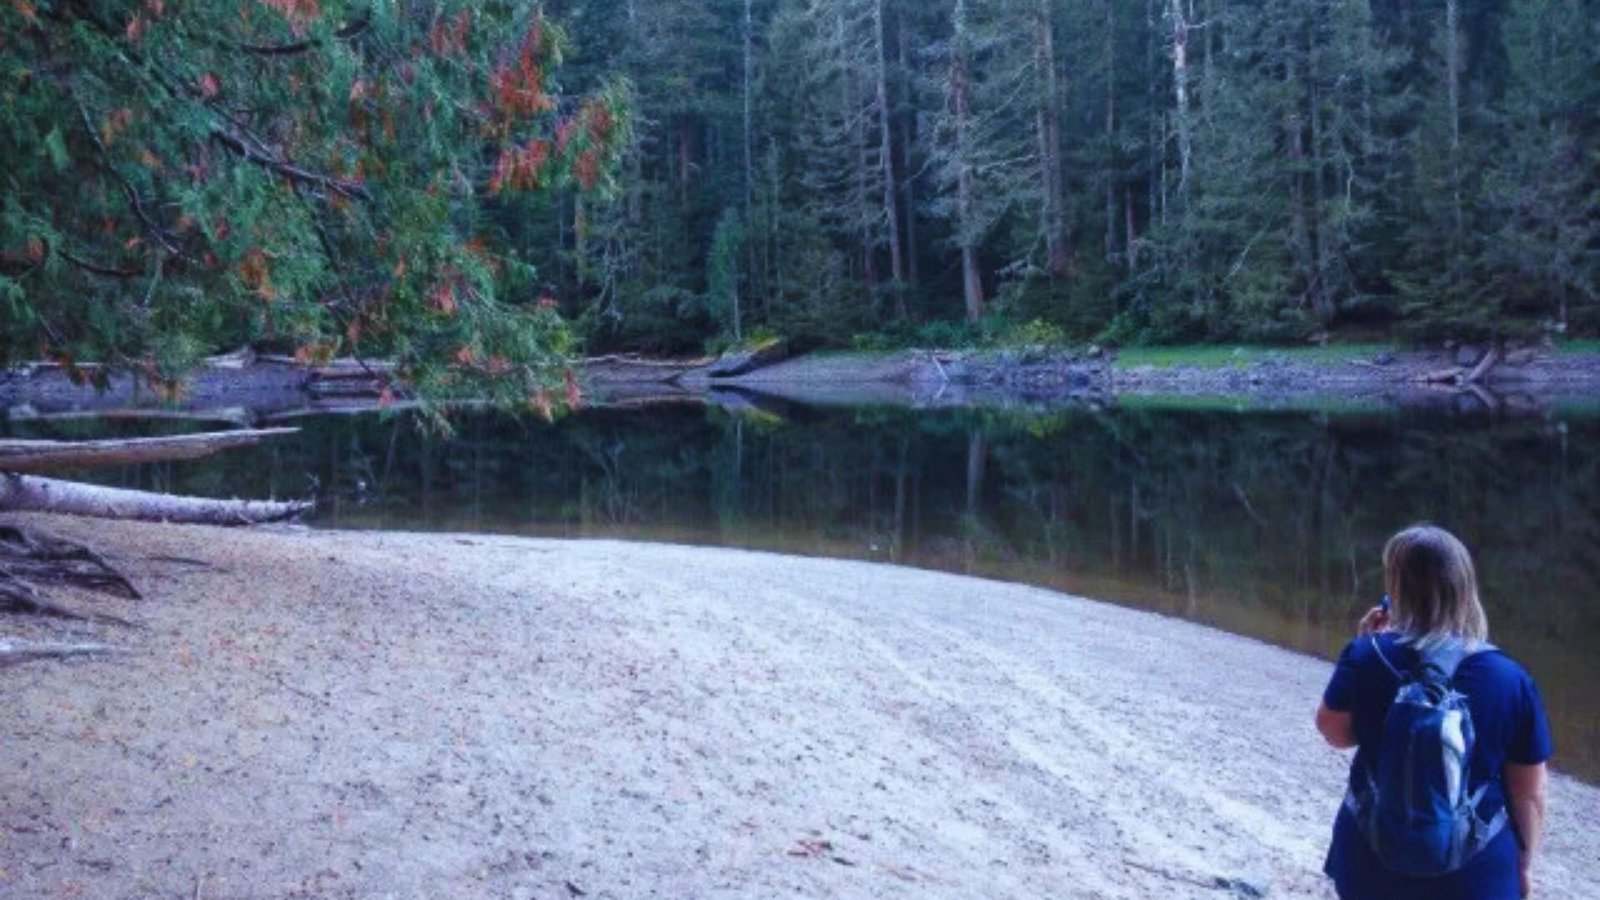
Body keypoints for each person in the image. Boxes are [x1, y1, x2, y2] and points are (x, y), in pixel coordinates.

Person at [1315, 524, 1553, 899]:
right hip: (1475, 873)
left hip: (1369, 859)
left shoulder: (1367, 655)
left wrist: (1367, 645)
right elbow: (1530, 793)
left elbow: (1334, 732)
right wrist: (1522, 865)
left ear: (1397, 588)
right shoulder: (1511, 679)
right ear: (1465, 588)